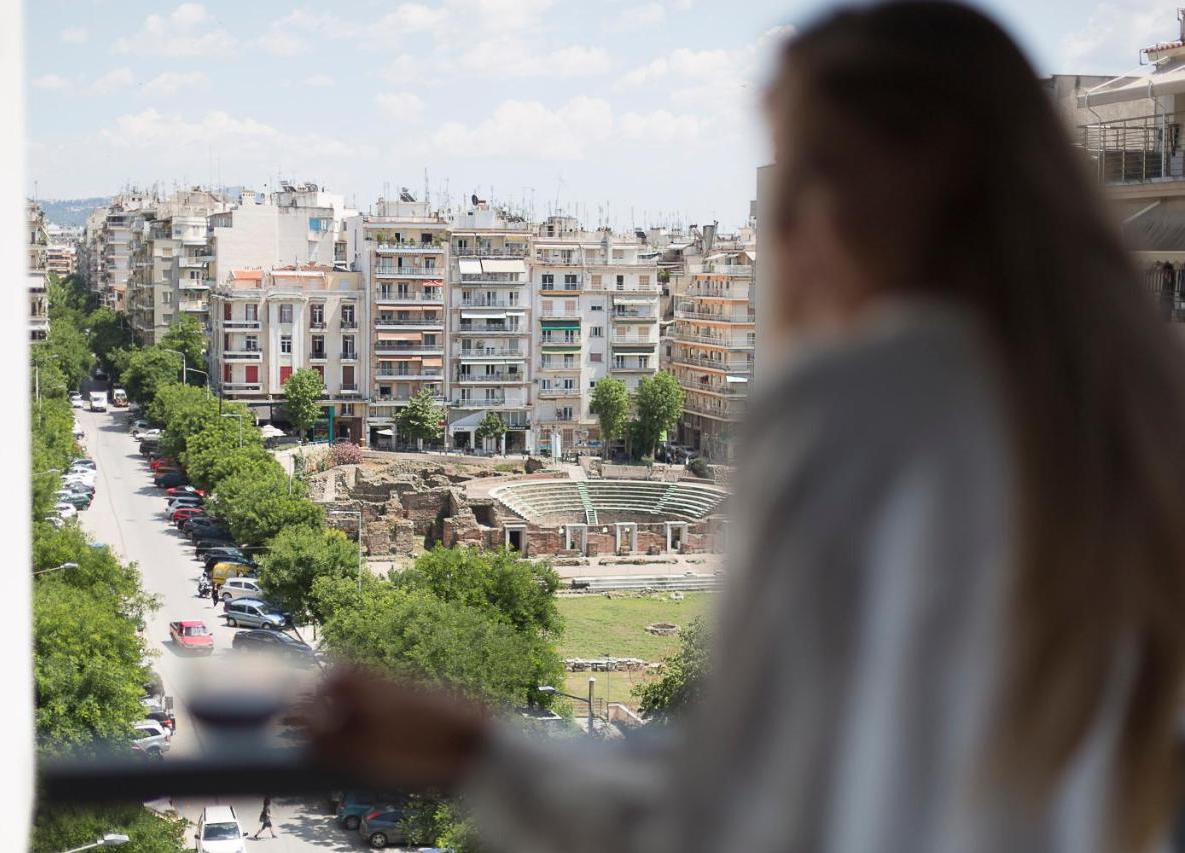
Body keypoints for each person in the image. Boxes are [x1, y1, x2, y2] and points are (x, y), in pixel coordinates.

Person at [309, 3, 1185, 852]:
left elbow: (731, 808)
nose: (781, 222)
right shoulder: (1134, 413)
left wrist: (480, 753)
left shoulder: (865, 406)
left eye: (806, 172)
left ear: (910, 188)